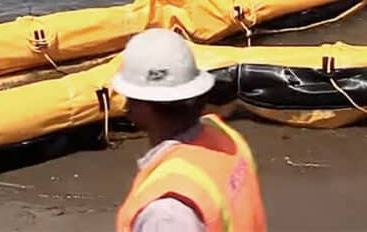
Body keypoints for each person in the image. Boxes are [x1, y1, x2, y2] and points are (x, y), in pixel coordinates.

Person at [112, 28, 267, 232]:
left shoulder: (166, 213)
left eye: (129, 97)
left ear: (143, 107)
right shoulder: (225, 137)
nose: (126, 106)